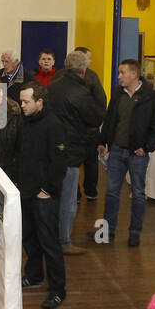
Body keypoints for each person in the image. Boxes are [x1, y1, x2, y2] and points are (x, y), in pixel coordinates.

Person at [98, 58, 155, 248]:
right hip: (117, 150)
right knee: (111, 192)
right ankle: (108, 230)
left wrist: (147, 147)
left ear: (134, 74)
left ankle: (135, 232)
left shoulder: (151, 97)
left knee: (138, 194)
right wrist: (103, 141)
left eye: (122, 73)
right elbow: (109, 119)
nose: (119, 77)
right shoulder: (118, 94)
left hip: (138, 154)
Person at [15, 82, 67, 309]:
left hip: (44, 195)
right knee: (29, 238)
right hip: (25, 191)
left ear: (40, 102)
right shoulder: (24, 121)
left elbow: (59, 162)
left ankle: (57, 290)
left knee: (49, 243)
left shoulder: (54, 125)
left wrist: (47, 190)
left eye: (26, 102)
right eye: (21, 101)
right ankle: (34, 275)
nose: (22, 105)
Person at [49, 51, 106, 254]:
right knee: (68, 199)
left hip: (51, 148)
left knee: (53, 195)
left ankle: (50, 235)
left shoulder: (53, 87)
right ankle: (64, 241)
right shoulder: (80, 93)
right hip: (71, 150)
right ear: (83, 70)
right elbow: (96, 117)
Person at [74, 46, 109, 202]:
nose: (91, 60)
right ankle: (90, 191)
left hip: (80, 129)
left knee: (77, 162)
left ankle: (79, 194)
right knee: (90, 161)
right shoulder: (92, 76)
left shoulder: (64, 75)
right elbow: (101, 102)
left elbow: (101, 102)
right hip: (87, 128)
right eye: (89, 57)